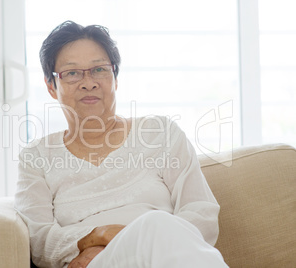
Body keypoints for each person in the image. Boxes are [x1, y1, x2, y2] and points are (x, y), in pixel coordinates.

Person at [14, 21, 228, 268]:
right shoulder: (36, 157)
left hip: (167, 253)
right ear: (52, 86)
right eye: (72, 73)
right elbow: (40, 240)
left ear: (115, 78)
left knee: (156, 224)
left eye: (99, 70)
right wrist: (98, 236)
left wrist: (140, 237)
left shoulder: (160, 133)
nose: (88, 82)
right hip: (97, 263)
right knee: (156, 223)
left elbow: (201, 211)